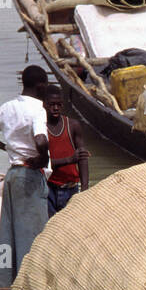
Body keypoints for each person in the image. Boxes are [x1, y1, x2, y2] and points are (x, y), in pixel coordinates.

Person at [0, 65, 51, 286]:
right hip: (30, 177)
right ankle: (31, 288)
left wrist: (5, 147)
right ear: (41, 85)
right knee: (33, 237)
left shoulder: (7, 107)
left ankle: (5, 285)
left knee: (8, 234)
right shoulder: (37, 109)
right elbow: (41, 139)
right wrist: (43, 158)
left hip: (13, 175)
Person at [39, 84, 91, 216]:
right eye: (51, 105)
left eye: (59, 104)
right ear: (44, 104)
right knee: (49, 229)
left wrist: (85, 189)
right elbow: (41, 162)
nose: (55, 108)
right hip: (48, 187)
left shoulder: (73, 125)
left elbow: (82, 158)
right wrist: (69, 159)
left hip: (70, 188)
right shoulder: (39, 128)